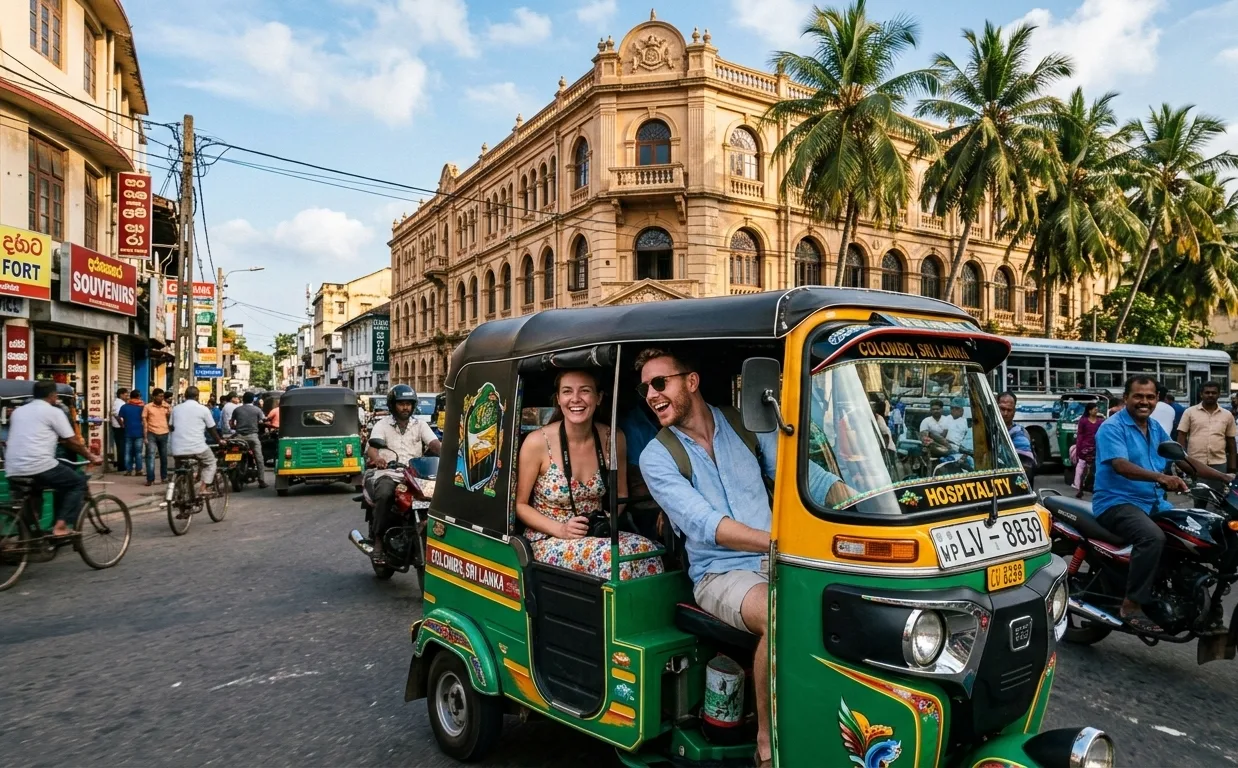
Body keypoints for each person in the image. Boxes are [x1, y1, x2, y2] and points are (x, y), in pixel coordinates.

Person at [636, 348, 841, 768]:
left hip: (776, 559)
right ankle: (767, 744)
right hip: (719, 573)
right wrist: (778, 543)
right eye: (645, 389)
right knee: (778, 611)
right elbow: (706, 524)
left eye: (660, 383)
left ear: (690, 382)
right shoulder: (656, 456)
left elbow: (800, 474)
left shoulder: (742, 424)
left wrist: (856, 500)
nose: (651, 395)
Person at [1092, 375, 1233, 633]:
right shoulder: (1112, 427)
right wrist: (1160, 477)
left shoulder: (1155, 428)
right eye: (1138, 396)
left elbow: (1183, 460)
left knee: (1194, 530)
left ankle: (1170, 589)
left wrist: (1227, 477)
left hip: (1153, 502)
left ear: (1157, 399)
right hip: (1116, 502)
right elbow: (1120, 465)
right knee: (1153, 537)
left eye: (1150, 396)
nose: (1144, 401)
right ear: (1126, 398)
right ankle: (1131, 604)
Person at [514, 369, 663, 580]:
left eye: (585, 391)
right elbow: (520, 506)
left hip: (595, 534)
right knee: (614, 561)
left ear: (598, 397)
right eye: (567, 392)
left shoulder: (613, 438)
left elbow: (620, 494)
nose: (576, 399)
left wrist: (607, 518)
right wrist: (561, 529)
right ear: (558, 399)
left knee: (649, 550)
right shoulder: (537, 442)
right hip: (548, 538)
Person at [6, 380, 103, 537]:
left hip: (13, 468)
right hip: (39, 465)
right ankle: (61, 526)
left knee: (34, 493)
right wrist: (91, 456)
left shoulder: (18, 412)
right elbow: (72, 441)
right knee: (77, 483)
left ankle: (30, 535)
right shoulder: (53, 412)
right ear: (53, 395)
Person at [364, 384, 441, 564]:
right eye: (401, 403)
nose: (405, 407)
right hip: (389, 473)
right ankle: (378, 540)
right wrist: (378, 459)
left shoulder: (420, 425)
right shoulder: (382, 425)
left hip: (415, 474)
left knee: (439, 494)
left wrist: (448, 454)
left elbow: (434, 444)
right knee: (384, 493)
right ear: (393, 405)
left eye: (408, 403)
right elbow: (373, 449)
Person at [1175, 380, 1236, 496]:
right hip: (1195, 463)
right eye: (1207, 392)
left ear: (1219, 394)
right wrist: (1181, 460)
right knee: (1199, 498)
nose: (1210, 395)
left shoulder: (1227, 415)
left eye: (1214, 393)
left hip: (1219, 463)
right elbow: (1181, 436)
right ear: (1201, 394)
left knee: (1218, 499)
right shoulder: (1190, 412)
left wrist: (1232, 469)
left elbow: (1231, 442)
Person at [169, 386, 222, 497]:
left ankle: (180, 491)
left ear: (185, 396)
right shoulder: (203, 409)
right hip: (197, 447)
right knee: (211, 462)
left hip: (177, 448)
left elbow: (171, 426)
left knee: (179, 468)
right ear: (197, 396)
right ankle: (203, 488)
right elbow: (211, 428)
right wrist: (220, 440)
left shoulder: (176, 409)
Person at [230, 392, 269, 489]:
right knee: (259, 459)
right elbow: (263, 420)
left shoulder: (237, 409)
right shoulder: (257, 410)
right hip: (252, 437)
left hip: (238, 438)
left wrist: (236, 427)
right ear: (253, 400)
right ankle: (261, 480)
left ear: (243, 399)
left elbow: (231, 423)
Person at [997, 392, 1037, 484]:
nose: (1005, 413)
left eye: (1009, 410)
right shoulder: (989, 429)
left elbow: (1025, 469)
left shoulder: (1020, 434)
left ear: (1014, 411)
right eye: (1002, 409)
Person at [1073, 402, 1104, 498]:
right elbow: (1080, 435)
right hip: (1085, 448)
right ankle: (1079, 488)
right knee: (1082, 468)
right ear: (1090, 411)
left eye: (1097, 409)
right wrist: (1079, 449)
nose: (1096, 410)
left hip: (1096, 447)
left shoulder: (1100, 421)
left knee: (1096, 469)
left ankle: (1095, 488)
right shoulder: (1083, 421)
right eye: (1095, 409)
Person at [143, 388, 172, 486]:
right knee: (150, 456)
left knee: (164, 457)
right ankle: (150, 479)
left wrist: (168, 411)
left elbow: (170, 420)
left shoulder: (166, 406)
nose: (161, 398)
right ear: (154, 397)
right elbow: (145, 422)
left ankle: (164, 477)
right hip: (151, 433)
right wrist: (145, 436)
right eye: (159, 396)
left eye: (162, 396)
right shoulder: (148, 407)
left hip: (164, 433)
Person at [117, 389, 146, 477]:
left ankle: (128, 471)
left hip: (128, 432)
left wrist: (122, 425)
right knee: (138, 453)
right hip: (139, 432)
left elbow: (119, 417)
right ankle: (139, 470)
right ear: (138, 396)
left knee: (127, 452)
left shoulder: (125, 407)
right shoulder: (142, 407)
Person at [110, 386, 128, 471]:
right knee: (122, 447)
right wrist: (122, 425)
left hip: (118, 427)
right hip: (119, 428)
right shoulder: (119, 403)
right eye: (125, 394)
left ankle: (122, 465)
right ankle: (122, 466)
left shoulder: (120, 402)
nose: (127, 396)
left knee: (121, 447)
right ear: (121, 395)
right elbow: (117, 415)